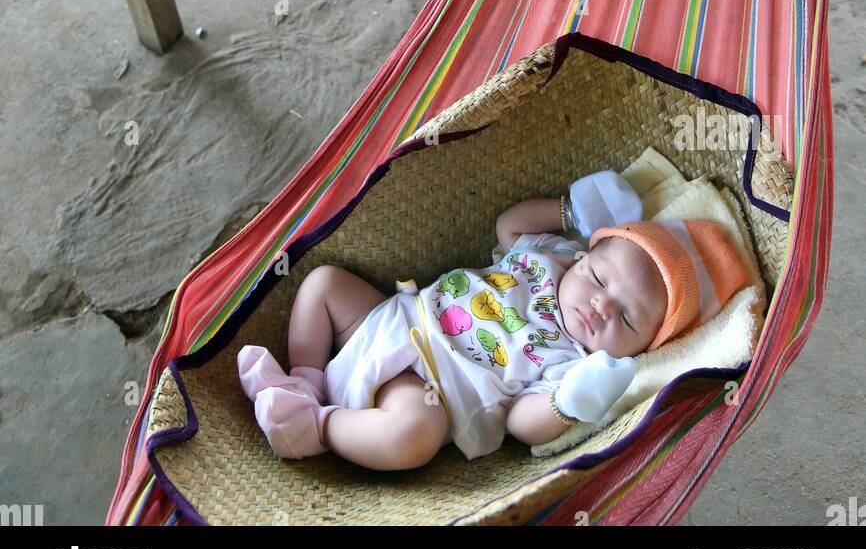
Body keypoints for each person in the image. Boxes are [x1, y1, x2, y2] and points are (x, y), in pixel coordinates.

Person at [237, 169, 755, 467]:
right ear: (582, 257)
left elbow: (521, 425)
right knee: (324, 282)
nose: (601, 306)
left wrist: (567, 402)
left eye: (626, 319)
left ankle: (318, 427)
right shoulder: (550, 255)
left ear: (640, 351)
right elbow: (509, 226)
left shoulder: (572, 362)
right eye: (599, 280)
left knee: (413, 435)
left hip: (423, 387)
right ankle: (303, 383)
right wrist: (570, 213)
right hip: (386, 319)